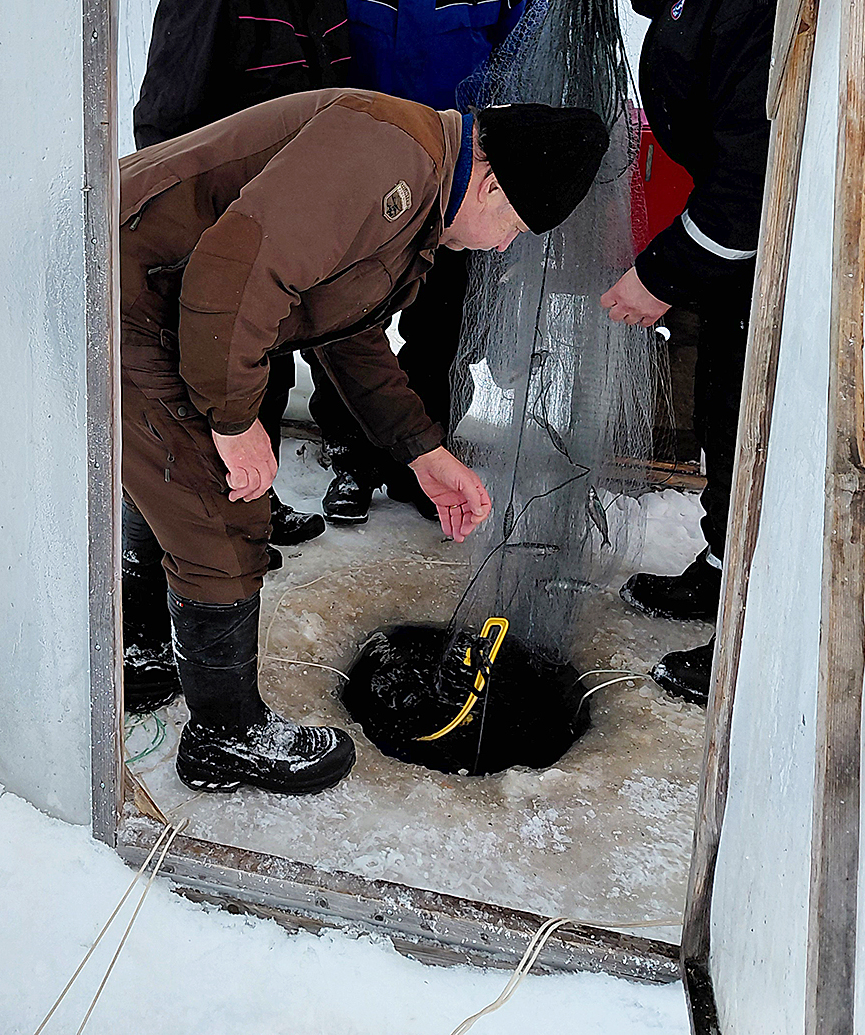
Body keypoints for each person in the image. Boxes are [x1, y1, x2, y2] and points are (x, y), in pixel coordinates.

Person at [121, 89, 608, 794]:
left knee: (170, 480)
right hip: (127, 292)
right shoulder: (386, 155)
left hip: (160, 297)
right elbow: (237, 272)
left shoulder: (415, 188)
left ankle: (141, 648)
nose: (502, 245)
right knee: (218, 507)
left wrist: (419, 448)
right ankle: (224, 738)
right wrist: (231, 423)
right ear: (492, 179)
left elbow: (341, 328)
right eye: (513, 225)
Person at [121, 0, 393, 714]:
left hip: (272, 242)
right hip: (196, 241)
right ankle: (139, 632)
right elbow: (162, 128)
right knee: (182, 434)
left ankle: (252, 496)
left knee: (258, 381)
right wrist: (199, 230)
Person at [597, 0, 793, 705]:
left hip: (772, 238)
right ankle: (724, 568)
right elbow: (700, 9)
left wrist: (659, 274)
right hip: (731, 237)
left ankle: (759, 634)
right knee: (725, 401)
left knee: (768, 425)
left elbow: (753, 169)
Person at [321, 0, 545, 527]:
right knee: (343, 315)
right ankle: (351, 454)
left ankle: (425, 458)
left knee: (437, 325)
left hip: (456, 185)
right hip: (356, 174)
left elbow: (526, 68)